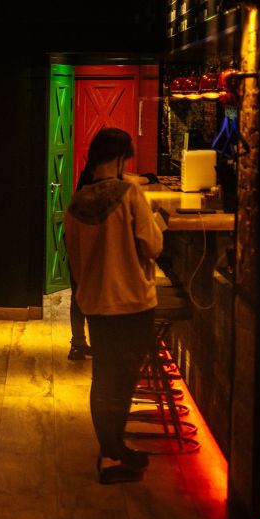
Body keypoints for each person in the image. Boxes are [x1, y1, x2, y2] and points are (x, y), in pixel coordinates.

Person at [64, 128, 165, 484]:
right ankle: (113, 453)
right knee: (123, 380)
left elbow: (76, 265)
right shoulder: (130, 195)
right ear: (121, 159)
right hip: (132, 302)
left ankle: (110, 450)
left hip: (96, 304)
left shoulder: (76, 204)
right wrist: (159, 222)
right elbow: (152, 246)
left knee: (104, 377)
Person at [67, 156, 157, 360]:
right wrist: (149, 178)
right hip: (97, 241)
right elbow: (153, 246)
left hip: (83, 239)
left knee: (78, 290)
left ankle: (78, 343)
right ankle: (98, 344)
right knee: (90, 290)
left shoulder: (91, 179)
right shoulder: (113, 184)